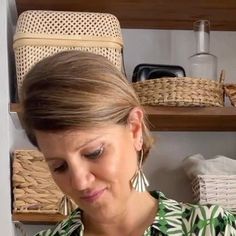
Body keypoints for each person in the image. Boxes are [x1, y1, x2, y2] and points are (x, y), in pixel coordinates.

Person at [20, 50, 236, 236]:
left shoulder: (211, 227)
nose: (79, 182)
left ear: (134, 129)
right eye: (59, 166)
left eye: (94, 153)